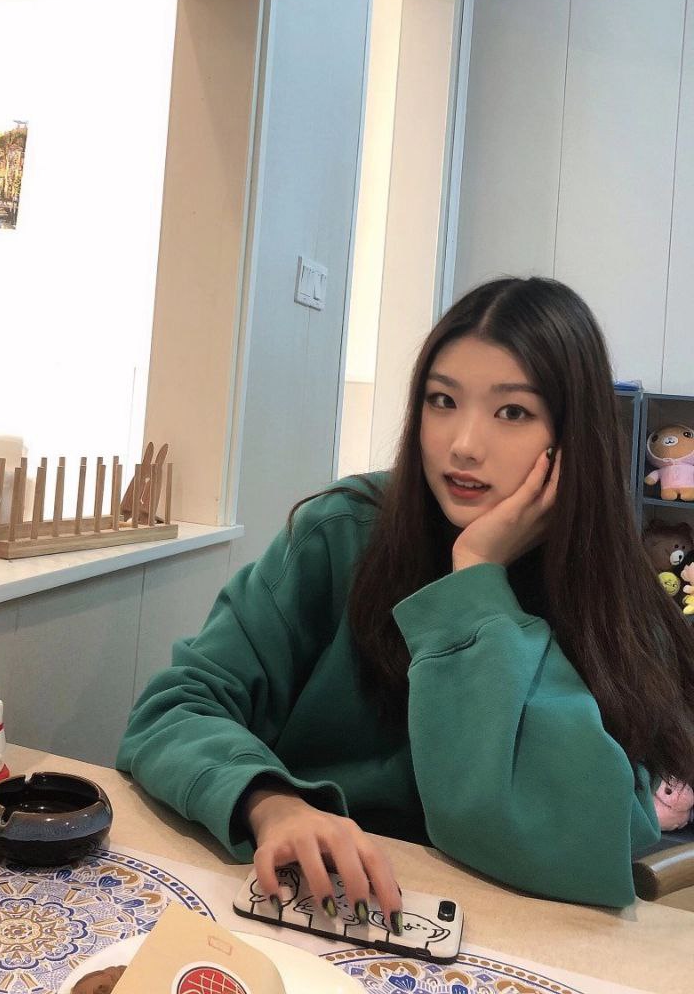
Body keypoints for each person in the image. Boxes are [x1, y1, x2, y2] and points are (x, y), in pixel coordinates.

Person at [117, 277, 694, 919]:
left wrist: (477, 581)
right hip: (306, 903)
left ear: (573, 437)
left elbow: (591, 843)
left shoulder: (612, 595)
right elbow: (174, 709)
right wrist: (272, 802)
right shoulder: (342, 533)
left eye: (512, 412)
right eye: (442, 401)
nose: (463, 444)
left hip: (508, 926)